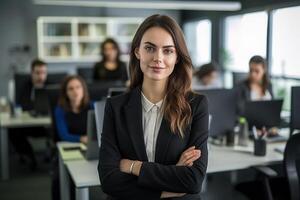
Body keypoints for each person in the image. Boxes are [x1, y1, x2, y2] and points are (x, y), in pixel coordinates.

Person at [98, 14, 209, 200]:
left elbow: (193, 180)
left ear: (177, 58)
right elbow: (109, 180)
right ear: (137, 52)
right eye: (150, 48)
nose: (158, 58)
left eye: (168, 51)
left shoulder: (196, 105)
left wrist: (133, 166)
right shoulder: (115, 107)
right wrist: (169, 181)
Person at [9, 59, 48, 170]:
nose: (41, 76)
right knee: (13, 131)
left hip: (48, 125)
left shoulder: (51, 85)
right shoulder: (25, 85)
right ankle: (30, 156)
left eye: (44, 72)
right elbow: (21, 104)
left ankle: (55, 156)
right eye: (37, 73)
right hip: (30, 124)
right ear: (32, 73)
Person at [54, 75, 94, 143]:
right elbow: (64, 135)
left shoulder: (93, 106)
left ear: (83, 90)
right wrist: (81, 139)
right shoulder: (60, 110)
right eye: (71, 89)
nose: (75, 91)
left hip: (91, 144)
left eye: (78, 87)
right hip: (70, 145)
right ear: (66, 93)